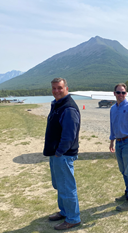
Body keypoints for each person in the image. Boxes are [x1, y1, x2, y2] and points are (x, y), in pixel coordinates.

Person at [43, 78, 82, 230]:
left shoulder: (68, 108)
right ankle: (65, 212)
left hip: (63, 155)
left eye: (59, 88)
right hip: (57, 153)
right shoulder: (58, 105)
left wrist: (59, 152)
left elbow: (69, 136)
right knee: (60, 185)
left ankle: (73, 218)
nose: (56, 91)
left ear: (66, 88)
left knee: (67, 186)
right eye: (54, 88)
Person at [108, 83, 128, 211]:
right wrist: (112, 141)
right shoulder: (112, 109)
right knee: (123, 170)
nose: (121, 95)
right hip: (118, 142)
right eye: (118, 92)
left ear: (126, 94)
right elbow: (112, 126)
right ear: (114, 93)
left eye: (123, 92)